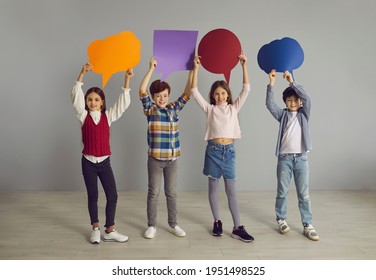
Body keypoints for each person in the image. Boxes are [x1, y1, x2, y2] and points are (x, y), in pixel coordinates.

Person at [190, 53, 254, 242]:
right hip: (213, 152)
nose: (220, 96)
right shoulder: (209, 109)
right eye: (217, 93)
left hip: (230, 152)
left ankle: (237, 227)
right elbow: (194, 90)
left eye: (223, 93)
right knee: (213, 189)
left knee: (231, 191)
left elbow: (247, 89)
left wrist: (244, 65)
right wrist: (196, 68)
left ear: (228, 94)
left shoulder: (233, 108)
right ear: (212, 95)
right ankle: (217, 221)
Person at [71, 63, 133, 244]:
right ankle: (95, 229)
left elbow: (123, 102)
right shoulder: (83, 116)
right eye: (89, 99)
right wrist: (81, 73)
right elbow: (76, 98)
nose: (92, 102)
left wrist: (127, 78)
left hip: (105, 163)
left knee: (112, 196)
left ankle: (110, 230)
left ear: (102, 102)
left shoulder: (109, 116)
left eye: (96, 99)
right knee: (93, 196)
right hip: (88, 162)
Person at [139, 57, 192, 239]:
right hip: (155, 160)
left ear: (168, 96)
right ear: (154, 98)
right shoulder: (151, 110)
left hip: (172, 160)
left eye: (165, 95)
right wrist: (151, 68)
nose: (162, 99)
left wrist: (192, 70)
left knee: (171, 193)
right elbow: (142, 90)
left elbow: (187, 93)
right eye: (158, 96)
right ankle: (152, 225)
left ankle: (173, 224)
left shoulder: (173, 109)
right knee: (153, 192)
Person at [266, 69, 319, 241]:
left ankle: (307, 224)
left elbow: (308, 98)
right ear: (286, 102)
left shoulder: (304, 114)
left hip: (301, 159)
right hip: (285, 159)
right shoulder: (283, 115)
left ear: (300, 101)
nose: (293, 102)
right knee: (282, 191)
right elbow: (269, 104)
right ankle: (281, 219)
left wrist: (292, 82)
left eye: (296, 99)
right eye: (289, 100)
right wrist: (271, 84)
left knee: (303, 193)